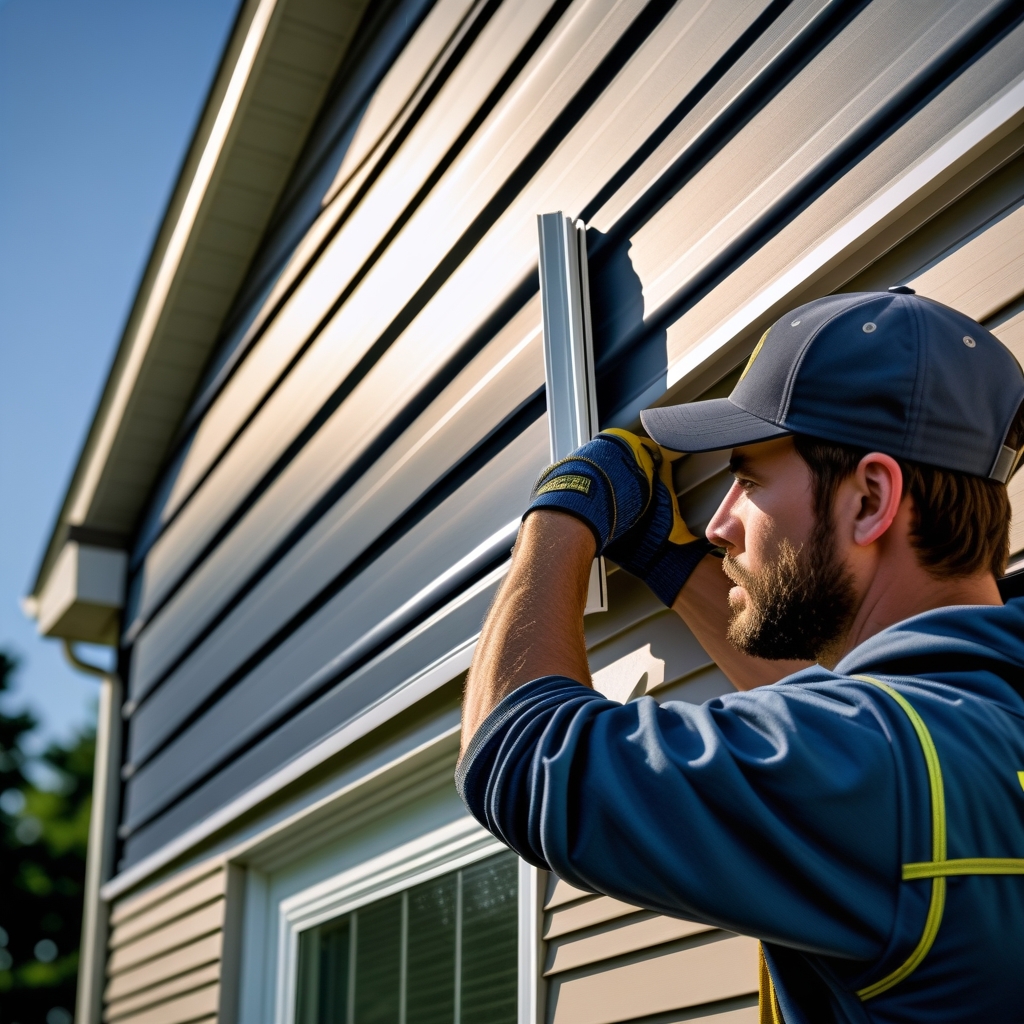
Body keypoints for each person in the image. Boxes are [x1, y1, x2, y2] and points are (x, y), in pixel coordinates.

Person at [456, 288, 1024, 1024]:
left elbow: (519, 752)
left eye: (749, 479)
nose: (721, 521)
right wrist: (668, 561)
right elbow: (849, 739)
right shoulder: (971, 729)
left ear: (870, 499)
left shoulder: (883, 770)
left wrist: (561, 513)